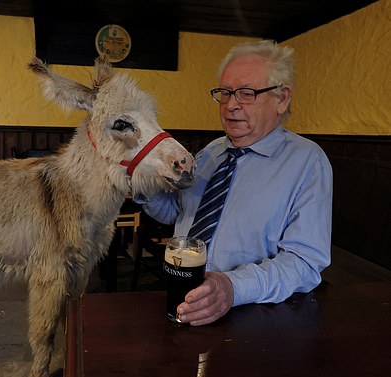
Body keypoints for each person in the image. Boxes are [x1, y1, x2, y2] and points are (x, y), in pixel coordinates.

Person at [141, 40, 332, 326]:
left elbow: (305, 263)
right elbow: (177, 214)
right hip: (182, 296)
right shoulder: (211, 152)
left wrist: (233, 287)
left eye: (247, 93)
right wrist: (141, 184)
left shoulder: (308, 162)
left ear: (282, 99)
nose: (231, 105)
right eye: (226, 93)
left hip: (251, 319)